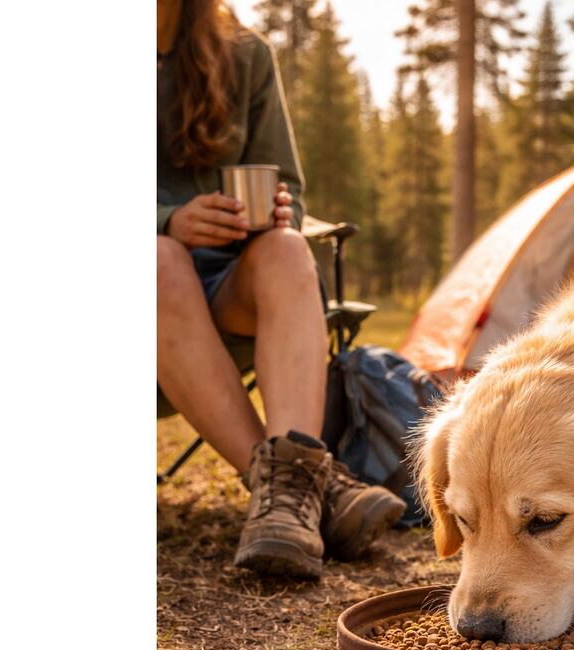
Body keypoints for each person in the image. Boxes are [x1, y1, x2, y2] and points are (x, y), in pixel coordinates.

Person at [157, 0, 404, 579]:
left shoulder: (243, 54)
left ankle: (286, 499)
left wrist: (279, 210)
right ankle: (310, 491)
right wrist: (168, 219)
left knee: (289, 250)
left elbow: (286, 182)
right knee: (158, 260)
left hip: (227, 279)